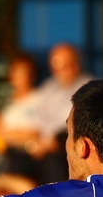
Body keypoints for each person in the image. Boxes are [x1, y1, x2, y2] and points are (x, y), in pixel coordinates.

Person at [25, 42, 92, 185]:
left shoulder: (89, 89)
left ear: (75, 64)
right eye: (54, 67)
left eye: (62, 66)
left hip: (67, 147)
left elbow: (80, 126)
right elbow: (38, 123)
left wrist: (52, 142)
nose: (58, 72)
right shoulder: (48, 89)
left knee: (52, 161)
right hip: (41, 147)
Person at [0, 52, 44, 181]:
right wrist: (14, 134)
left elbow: (35, 133)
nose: (18, 78)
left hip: (24, 156)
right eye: (15, 73)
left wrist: (5, 135)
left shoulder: (40, 99)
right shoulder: (5, 103)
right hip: (3, 152)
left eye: (23, 74)